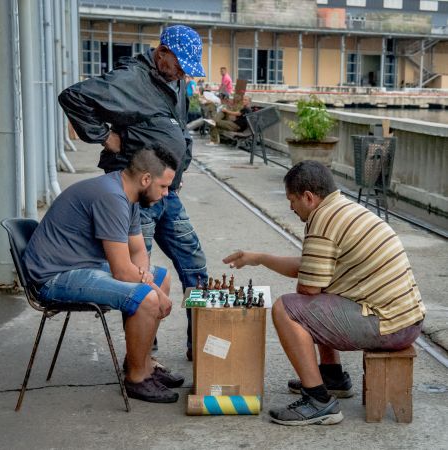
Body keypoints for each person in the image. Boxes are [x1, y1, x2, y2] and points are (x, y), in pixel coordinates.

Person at [223, 160, 425, 426]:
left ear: (308, 197)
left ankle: (319, 401)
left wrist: (304, 289)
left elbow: (307, 289)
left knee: (288, 309)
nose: (290, 207)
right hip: (404, 319)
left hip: (388, 324)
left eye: (292, 200)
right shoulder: (341, 209)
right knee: (319, 298)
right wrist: (259, 258)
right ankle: (332, 377)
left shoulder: (323, 220)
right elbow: (311, 268)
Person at [58, 25, 208, 361]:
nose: (183, 71)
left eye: (187, 66)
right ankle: (143, 358)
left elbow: (176, 126)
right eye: (178, 63)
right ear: (161, 52)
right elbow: (73, 97)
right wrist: (104, 136)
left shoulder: (178, 79)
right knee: (140, 277)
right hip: (135, 198)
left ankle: (201, 346)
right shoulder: (131, 79)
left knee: (195, 266)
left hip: (167, 194)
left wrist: (180, 163)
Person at [23, 148, 185, 403]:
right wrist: (152, 291)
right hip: (55, 276)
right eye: (164, 186)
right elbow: (122, 270)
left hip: (82, 265)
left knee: (161, 278)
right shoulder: (111, 197)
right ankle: (137, 378)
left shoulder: (127, 195)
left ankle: (142, 362)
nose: (166, 194)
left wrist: (150, 280)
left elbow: (138, 250)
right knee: (148, 298)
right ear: (145, 179)